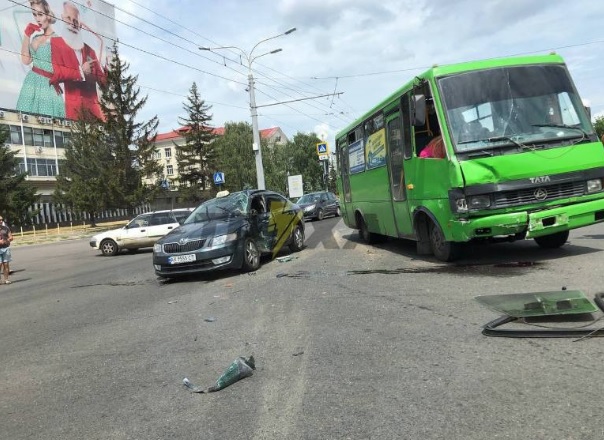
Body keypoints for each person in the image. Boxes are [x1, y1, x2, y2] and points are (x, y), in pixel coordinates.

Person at [49, 1, 106, 120]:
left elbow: (102, 81)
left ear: (80, 25)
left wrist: (107, 70)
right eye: (68, 18)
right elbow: (58, 73)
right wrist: (81, 71)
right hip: (74, 110)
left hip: (94, 111)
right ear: (62, 18)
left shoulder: (90, 50)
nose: (73, 23)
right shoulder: (56, 43)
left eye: (76, 20)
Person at [16, 0, 65, 118]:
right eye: (34, 14)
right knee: (24, 120)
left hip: (47, 85)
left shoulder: (58, 40)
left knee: (47, 123)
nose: (37, 19)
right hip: (31, 82)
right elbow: (25, 60)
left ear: (48, 15)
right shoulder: (35, 38)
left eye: (40, 14)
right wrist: (27, 35)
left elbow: (63, 69)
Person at [0, 215, 13, 284]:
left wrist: (8, 240)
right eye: (0, 220)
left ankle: (6, 279)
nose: (1, 221)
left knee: (6, 264)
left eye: (2, 220)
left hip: (6, 248)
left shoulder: (6, 228)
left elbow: (11, 237)